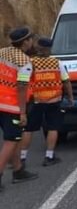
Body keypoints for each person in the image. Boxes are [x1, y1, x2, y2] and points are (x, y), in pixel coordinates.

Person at [20, 37, 74, 167]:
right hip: (54, 101)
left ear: (38, 48)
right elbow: (66, 82)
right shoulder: (57, 63)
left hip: (36, 101)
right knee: (53, 128)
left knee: (28, 129)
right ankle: (49, 156)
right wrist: (71, 97)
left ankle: (22, 158)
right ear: (50, 49)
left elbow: (22, 83)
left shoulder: (30, 63)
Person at [0, 27, 39, 191]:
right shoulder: (24, 62)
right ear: (25, 42)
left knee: (13, 139)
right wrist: (22, 112)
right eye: (31, 39)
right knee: (11, 141)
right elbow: (22, 87)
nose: (32, 42)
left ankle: (18, 171)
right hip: (11, 105)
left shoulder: (2, 52)